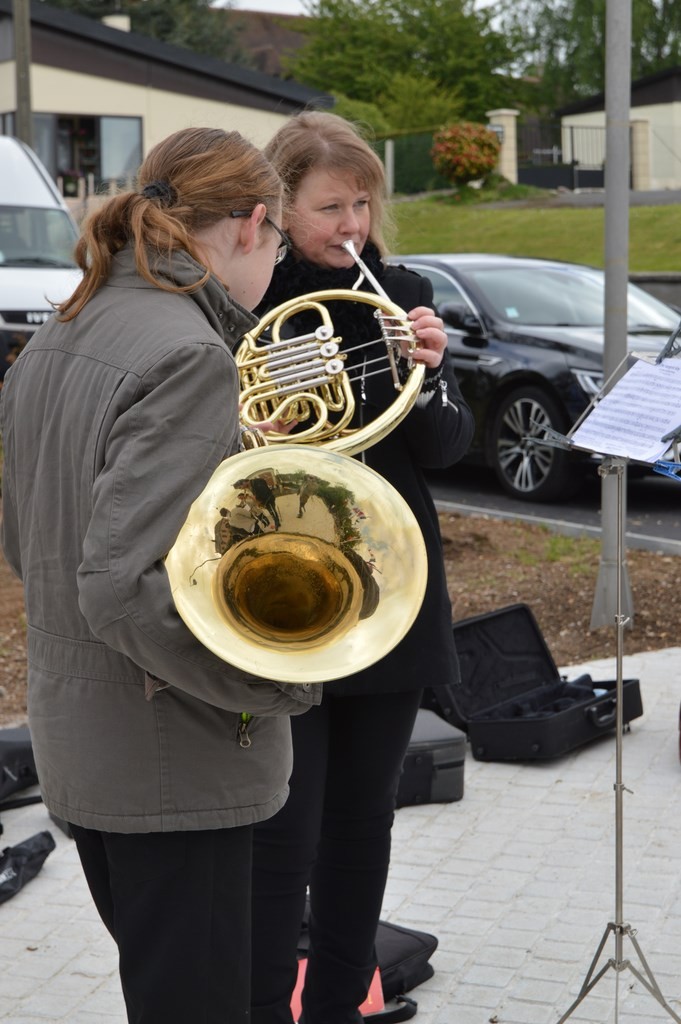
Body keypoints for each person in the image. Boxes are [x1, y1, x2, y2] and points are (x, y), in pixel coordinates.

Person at [0, 125, 320, 1024]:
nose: (276, 271)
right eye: (283, 243)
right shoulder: (188, 353)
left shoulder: (68, 324)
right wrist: (265, 681)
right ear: (253, 225)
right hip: (176, 762)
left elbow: (29, 543)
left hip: (89, 742)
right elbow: (117, 584)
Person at [249, 110, 476, 1024]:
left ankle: (340, 1007)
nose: (350, 225)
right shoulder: (249, 297)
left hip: (389, 588)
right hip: (283, 597)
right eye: (328, 206)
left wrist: (425, 365)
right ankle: (265, 1007)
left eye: (362, 203)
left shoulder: (400, 289)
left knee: (362, 828)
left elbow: (447, 447)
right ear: (277, 205)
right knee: (284, 831)